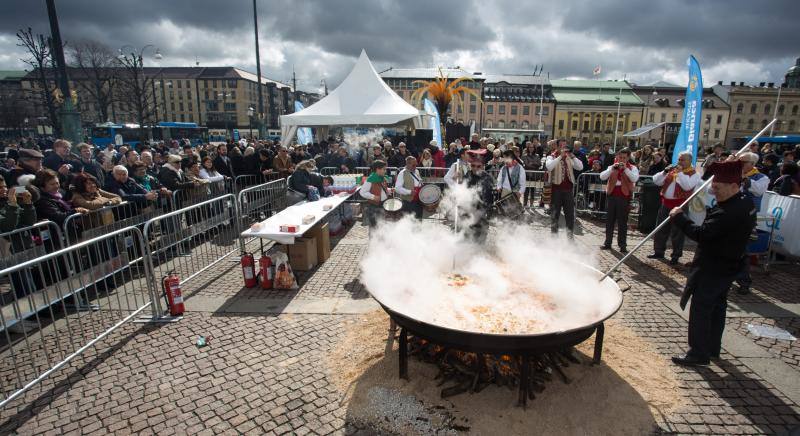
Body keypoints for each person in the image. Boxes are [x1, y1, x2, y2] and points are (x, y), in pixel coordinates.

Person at [669, 160, 756, 366]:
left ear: (734, 186)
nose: (714, 192)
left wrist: (679, 218)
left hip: (713, 266)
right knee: (717, 307)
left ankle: (698, 354)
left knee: (701, 309)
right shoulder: (745, 201)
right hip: (730, 264)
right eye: (713, 187)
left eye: (718, 188)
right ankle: (712, 348)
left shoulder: (727, 212)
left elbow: (703, 235)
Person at [650, 151, 702, 265]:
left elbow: (687, 186)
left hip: (680, 205)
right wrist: (664, 172)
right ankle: (658, 251)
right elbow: (656, 181)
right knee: (661, 228)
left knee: (677, 232)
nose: (680, 162)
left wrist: (680, 173)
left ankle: (676, 255)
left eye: (683, 160)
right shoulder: (672, 170)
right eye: (679, 159)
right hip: (666, 203)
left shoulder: (694, 174)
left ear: (689, 161)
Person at [731, 152, 770, 295]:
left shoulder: (762, 177)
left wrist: (743, 179)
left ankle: (743, 281)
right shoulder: (734, 173)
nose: (740, 164)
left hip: (746, 217)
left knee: (742, 251)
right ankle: (727, 277)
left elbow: (758, 191)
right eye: (739, 161)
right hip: (731, 214)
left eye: (743, 162)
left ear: (752, 164)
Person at [599, 148, 639, 252]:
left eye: (624, 158)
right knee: (609, 221)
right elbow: (602, 177)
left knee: (622, 222)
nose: (621, 160)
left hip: (624, 197)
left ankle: (622, 245)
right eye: (620, 157)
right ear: (617, 157)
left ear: (628, 158)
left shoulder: (632, 168)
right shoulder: (612, 167)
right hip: (612, 196)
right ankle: (607, 243)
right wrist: (611, 168)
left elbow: (634, 179)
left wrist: (625, 169)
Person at [545, 140, 584, 235]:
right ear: (557, 147)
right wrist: (560, 156)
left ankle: (570, 236)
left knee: (569, 215)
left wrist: (573, 156)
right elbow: (549, 167)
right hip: (556, 190)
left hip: (568, 190)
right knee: (555, 215)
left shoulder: (570, 157)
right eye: (562, 146)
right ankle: (554, 236)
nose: (564, 148)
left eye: (565, 146)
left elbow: (580, 167)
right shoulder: (551, 156)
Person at [465, 150, 494, 243]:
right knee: (466, 235)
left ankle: (479, 253)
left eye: (478, 166)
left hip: (482, 211)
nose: (475, 168)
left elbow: (487, 195)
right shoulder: (467, 175)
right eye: (473, 165)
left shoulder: (487, 177)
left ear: (483, 166)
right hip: (468, 210)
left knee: (480, 237)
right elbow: (462, 190)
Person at [358, 160, 390, 228]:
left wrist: (389, 191)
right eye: (384, 169)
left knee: (382, 226)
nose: (385, 171)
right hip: (374, 206)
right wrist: (373, 197)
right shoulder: (370, 179)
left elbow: (382, 190)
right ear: (378, 169)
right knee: (374, 227)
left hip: (383, 204)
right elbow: (362, 192)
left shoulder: (382, 178)